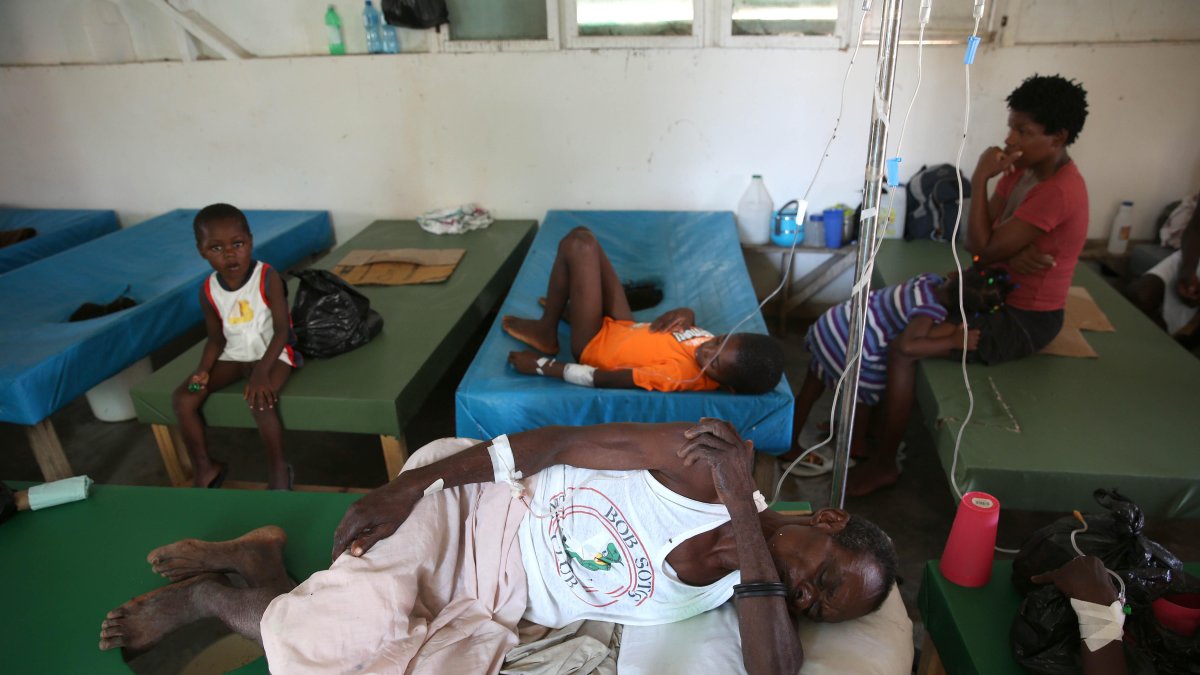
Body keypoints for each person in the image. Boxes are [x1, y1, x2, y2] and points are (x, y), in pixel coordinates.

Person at [99, 419, 898, 674]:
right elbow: (558, 441)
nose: (808, 597)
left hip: (496, 601)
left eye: (820, 605)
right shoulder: (703, 462)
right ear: (824, 520)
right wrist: (415, 486)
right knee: (333, 635)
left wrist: (750, 533)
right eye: (825, 577)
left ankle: (267, 563)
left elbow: (775, 670)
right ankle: (207, 594)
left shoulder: (747, 598)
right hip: (481, 507)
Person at [778, 267, 1012, 495]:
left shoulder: (926, 280)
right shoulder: (930, 311)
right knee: (867, 393)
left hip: (834, 324)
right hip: (856, 345)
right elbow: (909, 345)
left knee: (809, 392)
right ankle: (857, 444)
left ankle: (788, 445)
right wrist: (953, 340)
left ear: (953, 276)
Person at [503, 226, 784, 394]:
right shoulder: (714, 348)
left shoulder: (681, 376)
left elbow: (602, 378)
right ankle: (568, 311)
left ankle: (546, 330)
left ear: (728, 386)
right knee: (584, 236)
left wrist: (542, 366)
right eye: (719, 340)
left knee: (579, 245)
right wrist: (688, 313)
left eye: (716, 363)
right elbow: (695, 337)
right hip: (627, 327)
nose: (707, 350)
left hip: (596, 343)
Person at [172, 203, 300, 490]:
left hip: (274, 354)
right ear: (201, 250)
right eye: (216, 248)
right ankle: (205, 466)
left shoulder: (266, 277)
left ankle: (279, 470)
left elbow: (283, 331)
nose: (230, 253)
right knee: (184, 398)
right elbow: (216, 338)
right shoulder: (208, 290)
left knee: (260, 399)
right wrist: (203, 370)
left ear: (250, 241)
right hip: (236, 355)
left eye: (238, 244)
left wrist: (261, 372)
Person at [966, 73, 1090, 363]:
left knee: (908, 338)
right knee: (903, 313)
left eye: (1023, 131)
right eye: (1011, 128)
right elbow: (975, 241)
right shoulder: (1021, 170)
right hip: (991, 292)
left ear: (1058, 138)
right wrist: (1008, 255)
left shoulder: (1058, 191)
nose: (1010, 140)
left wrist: (979, 178)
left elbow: (980, 248)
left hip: (1024, 318)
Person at [1128, 192, 1200, 346]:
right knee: (1139, 295)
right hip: (1195, 257)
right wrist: (1188, 271)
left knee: (1187, 338)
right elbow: (1195, 228)